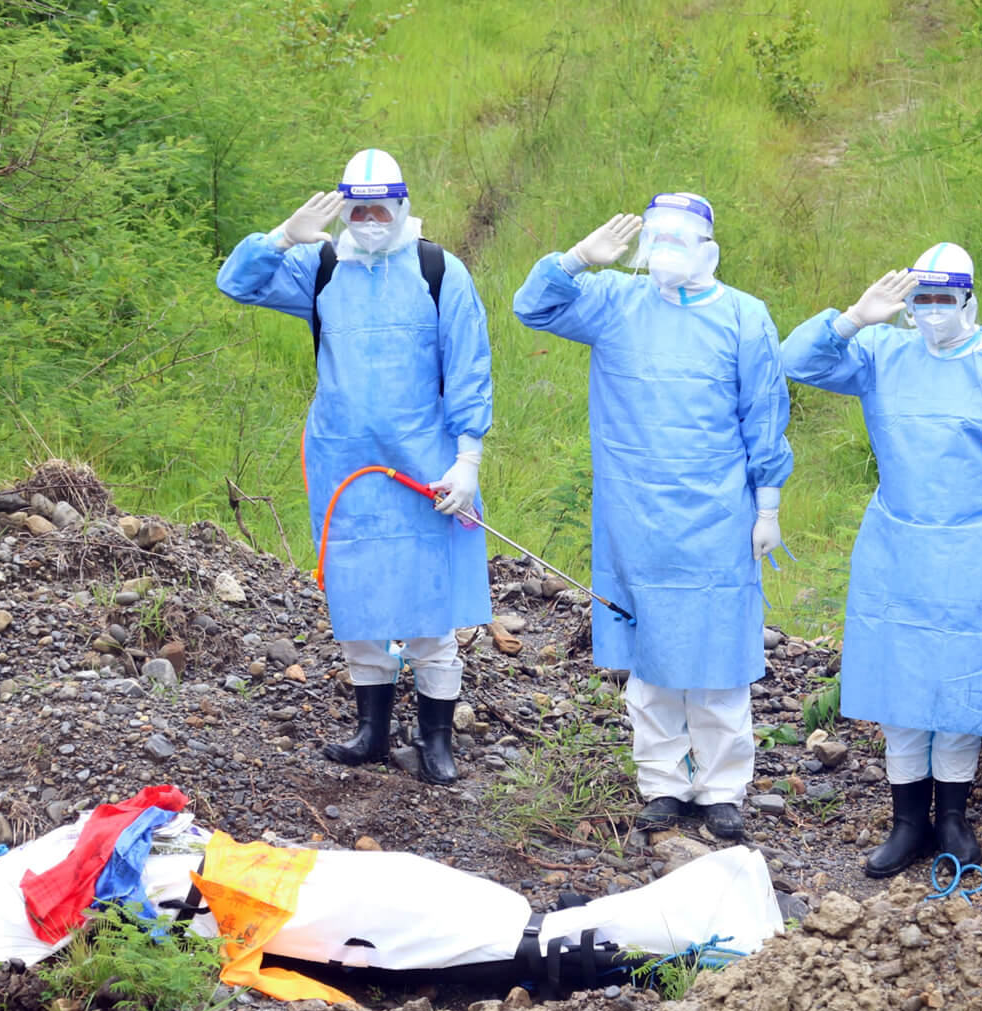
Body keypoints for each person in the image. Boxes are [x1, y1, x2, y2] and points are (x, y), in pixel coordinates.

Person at [512, 194, 794, 842]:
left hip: (717, 516)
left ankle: (722, 789)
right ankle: (664, 783)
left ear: (709, 250)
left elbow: (765, 415)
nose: (666, 247)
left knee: (718, 659)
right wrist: (577, 259)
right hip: (635, 513)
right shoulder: (614, 301)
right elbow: (533, 306)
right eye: (656, 236)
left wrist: (767, 503)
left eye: (680, 237)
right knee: (649, 659)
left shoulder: (744, 318)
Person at [216, 148, 494, 786]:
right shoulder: (321, 266)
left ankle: (436, 741)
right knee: (358, 593)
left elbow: (470, 366)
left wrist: (468, 458)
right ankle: (370, 733)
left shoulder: (437, 271)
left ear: (400, 206)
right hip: (345, 461)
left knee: (431, 600)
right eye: (357, 208)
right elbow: (236, 283)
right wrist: (282, 238)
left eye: (380, 207)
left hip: (424, 460)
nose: (369, 219)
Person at [779, 243, 982, 877]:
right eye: (921, 301)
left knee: (959, 681)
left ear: (970, 302)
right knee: (900, 683)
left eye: (944, 301)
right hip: (897, 544)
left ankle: (953, 820)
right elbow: (798, 360)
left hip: (975, 547)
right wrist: (853, 318)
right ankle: (907, 823)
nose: (933, 314)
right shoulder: (883, 354)